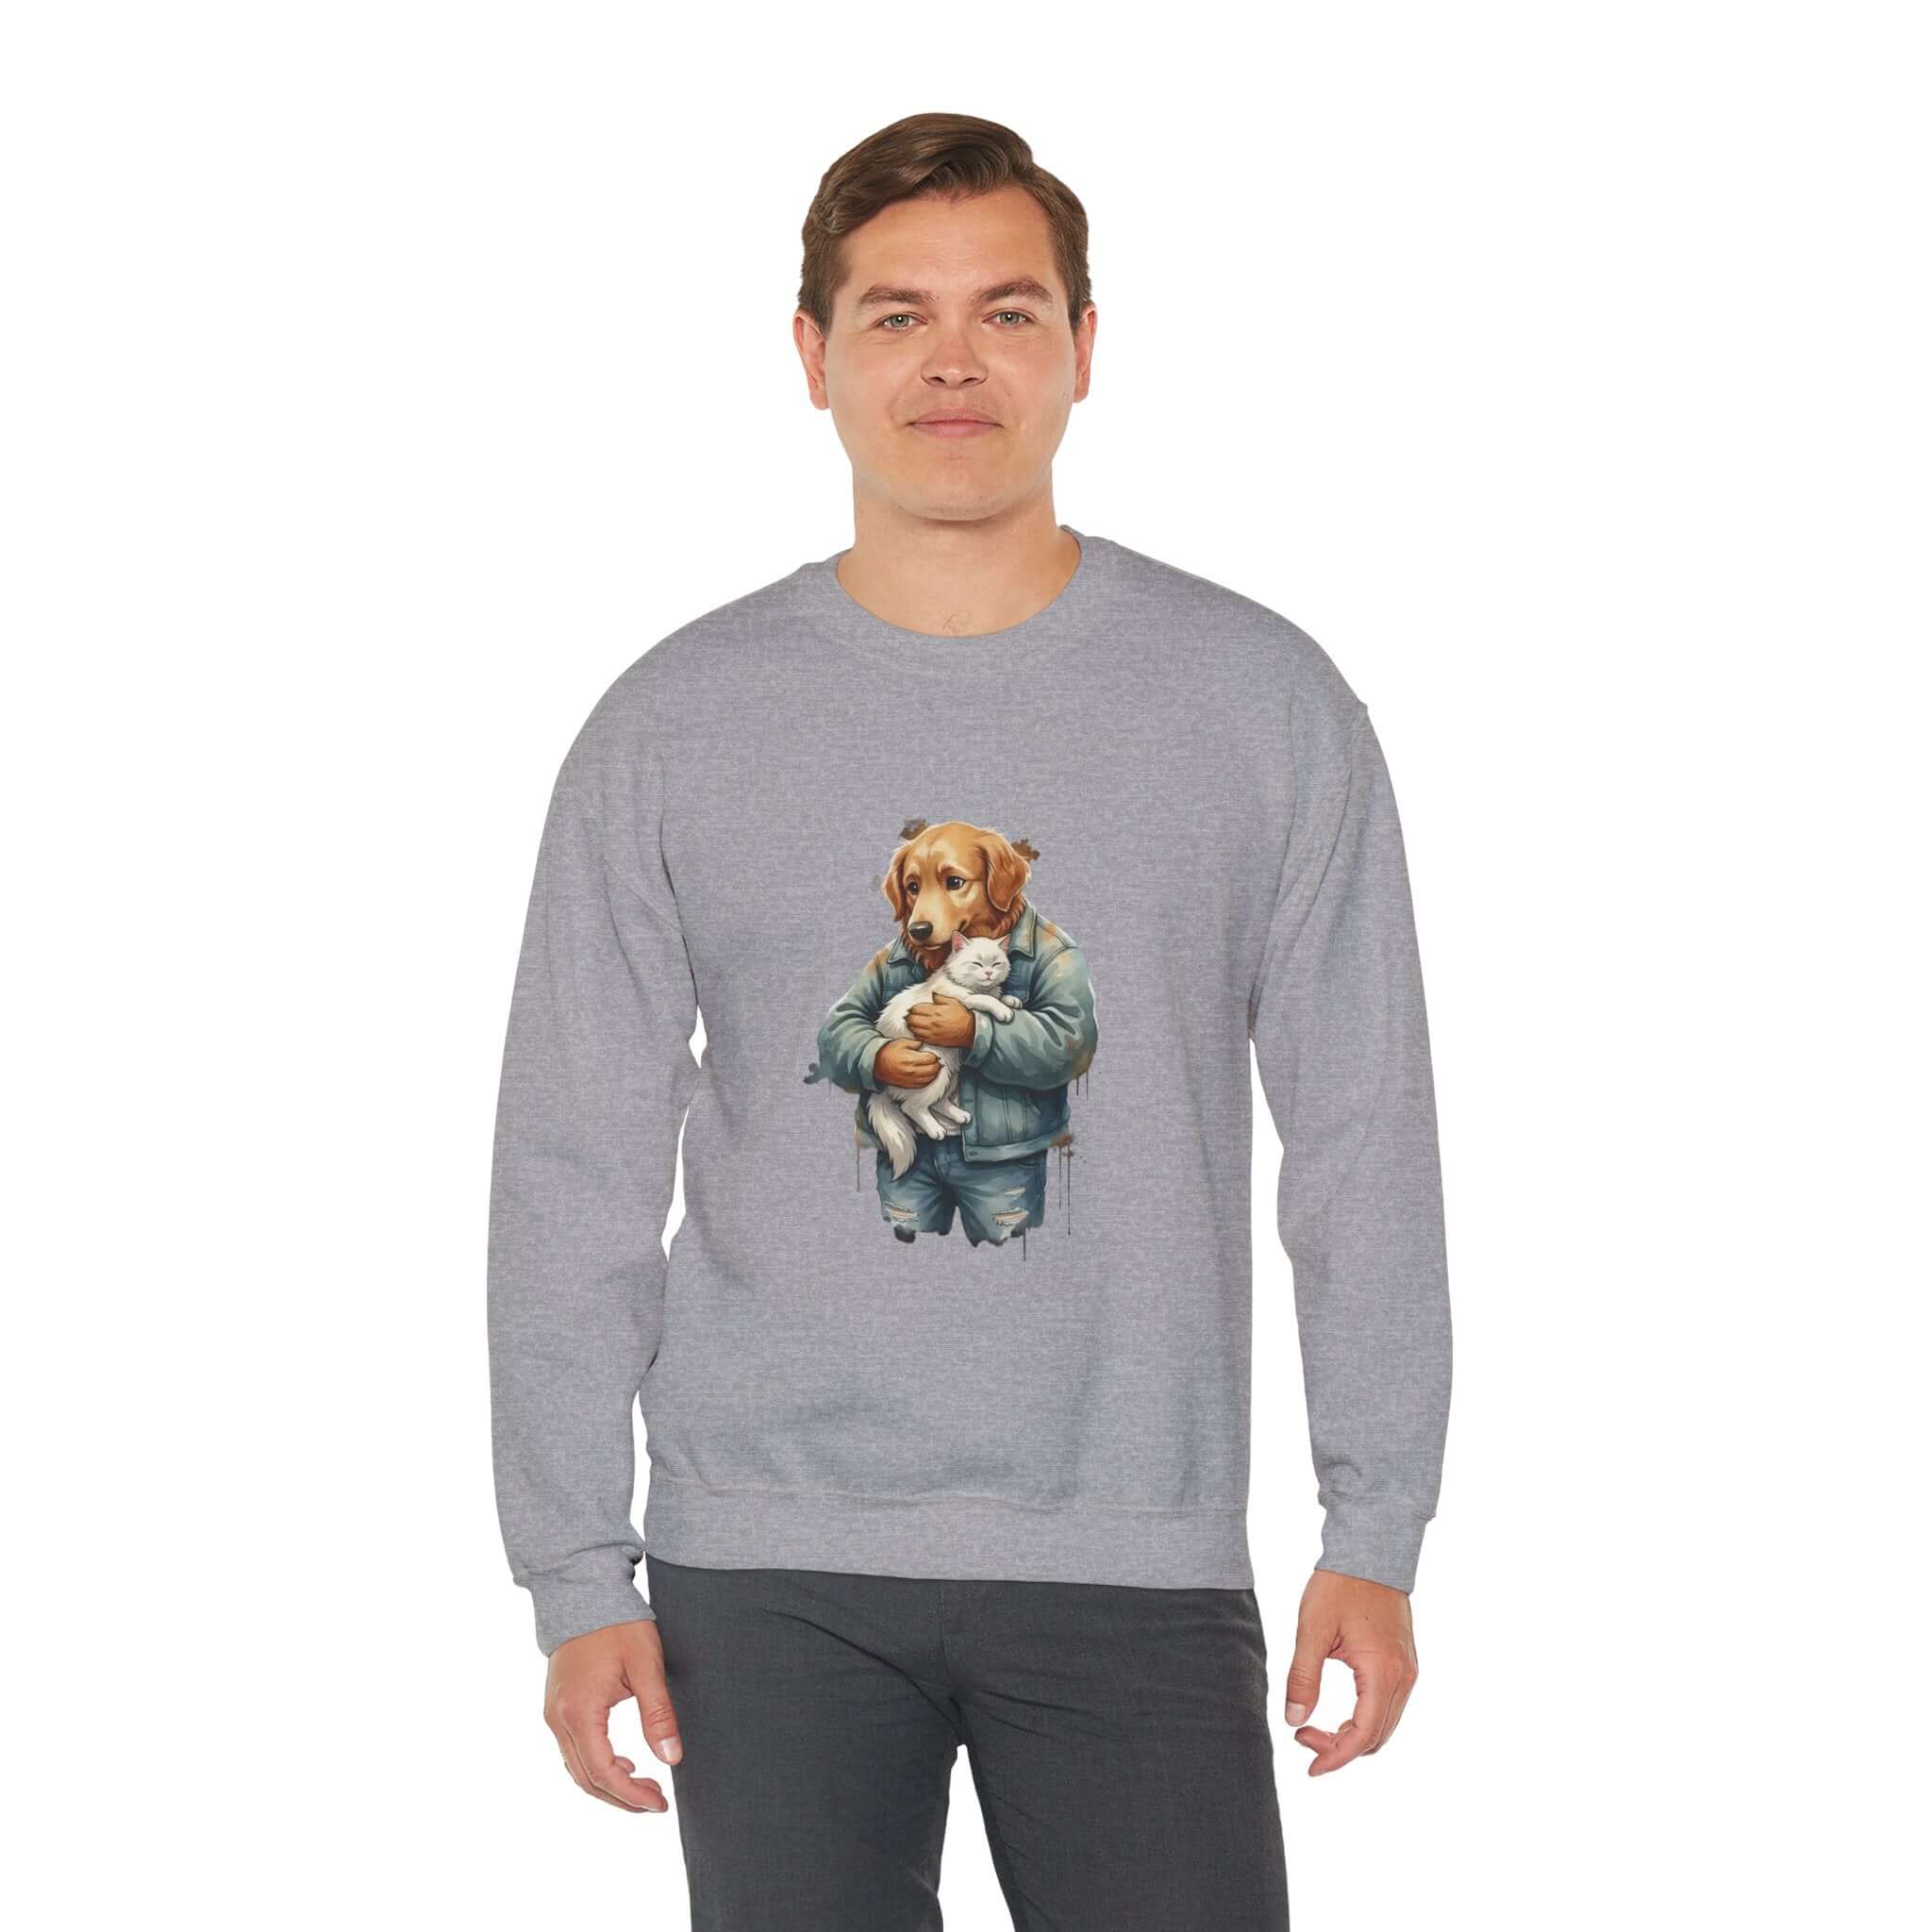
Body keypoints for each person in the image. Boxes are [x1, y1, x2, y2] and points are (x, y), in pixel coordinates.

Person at [488, 110, 1452, 1930]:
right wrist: (575, 1572)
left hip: (1136, 1541)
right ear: (813, 356)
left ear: (1084, 347)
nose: (952, 362)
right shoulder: (672, 725)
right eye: (895, 315)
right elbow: (571, 1169)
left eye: (1006, 312)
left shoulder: (1262, 705)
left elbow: (1362, 1135)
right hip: (761, 1559)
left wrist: (1375, 1526)